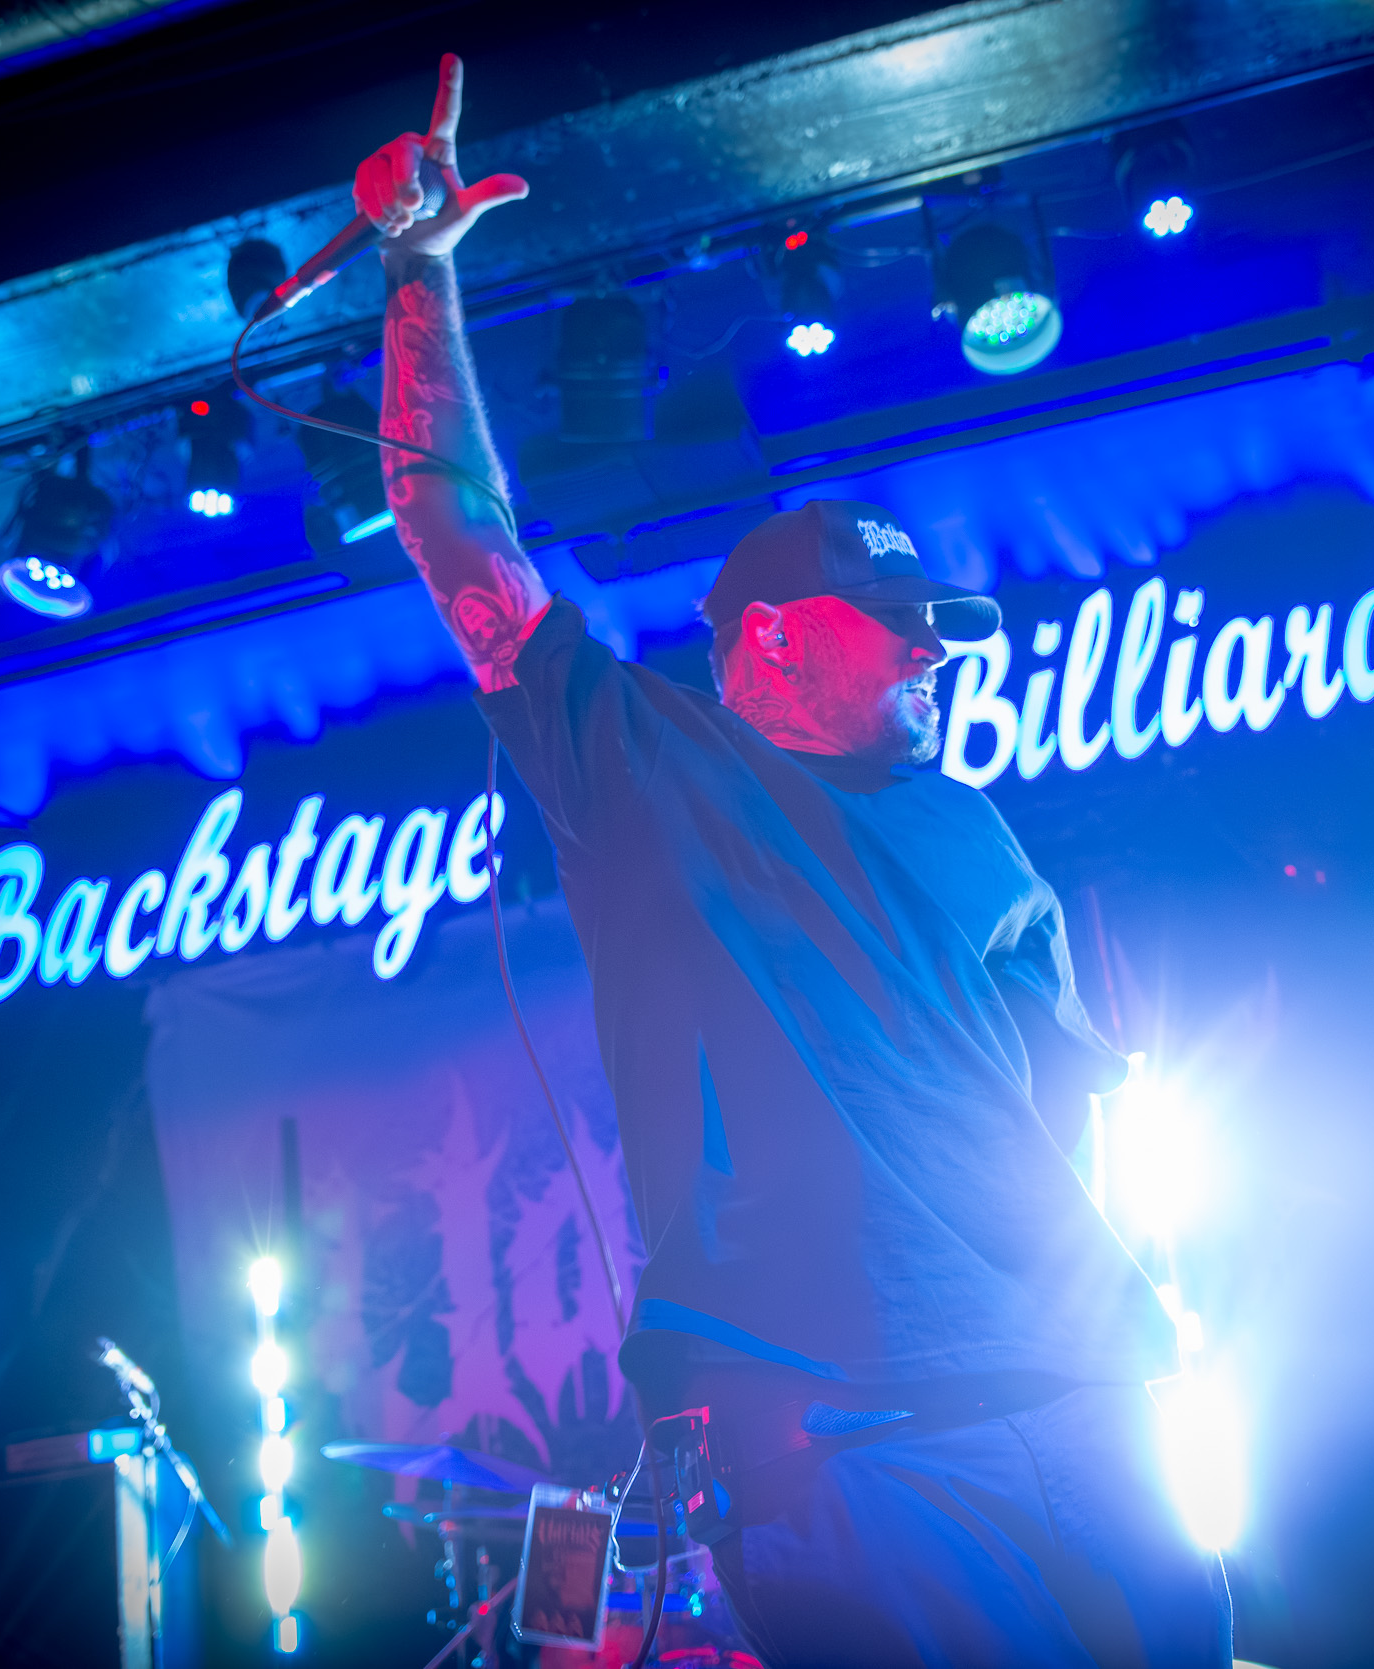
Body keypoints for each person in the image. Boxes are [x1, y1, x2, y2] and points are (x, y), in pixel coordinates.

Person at [352, 55, 1231, 1668]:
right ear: (769, 637)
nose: (934, 649)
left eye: (940, 625)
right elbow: (462, 535)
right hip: (849, 1429)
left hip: (1089, 1384)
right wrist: (419, 273)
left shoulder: (968, 818)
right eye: (894, 621)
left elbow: (1061, 1083)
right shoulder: (652, 765)